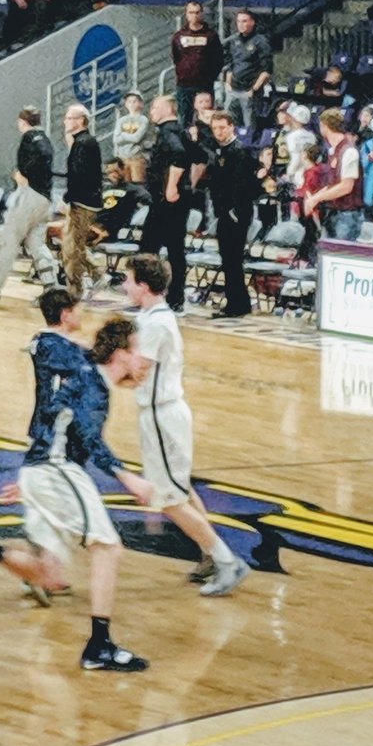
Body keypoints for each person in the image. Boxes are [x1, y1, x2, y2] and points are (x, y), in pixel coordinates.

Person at [0, 294, 152, 672]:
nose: (143, 361)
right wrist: (126, 476)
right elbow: (87, 438)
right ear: (119, 354)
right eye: (137, 351)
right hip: (56, 470)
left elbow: (57, 423)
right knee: (108, 549)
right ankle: (99, 645)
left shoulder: (83, 377)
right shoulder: (92, 383)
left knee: (49, 578)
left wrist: (30, 478)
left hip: (43, 471)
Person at [122, 254, 250, 595]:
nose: (124, 285)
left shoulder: (154, 325)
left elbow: (136, 372)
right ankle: (210, 553)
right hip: (166, 414)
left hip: (162, 417)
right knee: (181, 490)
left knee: (169, 499)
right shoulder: (155, 316)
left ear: (144, 286)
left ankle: (227, 561)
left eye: (128, 279)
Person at [0, 106, 58, 301]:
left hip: (29, 195)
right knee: (37, 243)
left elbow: (34, 160)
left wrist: (25, 174)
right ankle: (51, 288)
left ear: (22, 121)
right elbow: (46, 156)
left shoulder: (29, 138)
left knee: (9, 241)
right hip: (45, 197)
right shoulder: (46, 139)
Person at [199, 112, 258, 318]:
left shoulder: (240, 151)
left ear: (232, 127)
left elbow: (243, 185)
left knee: (233, 258)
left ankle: (237, 304)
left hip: (236, 213)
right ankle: (238, 301)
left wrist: (234, 211)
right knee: (228, 259)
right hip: (223, 211)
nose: (218, 132)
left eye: (222, 128)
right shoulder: (220, 150)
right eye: (215, 128)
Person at [139, 95, 191, 312]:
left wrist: (172, 186)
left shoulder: (169, 131)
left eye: (155, 106)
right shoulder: (179, 130)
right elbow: (198, 157)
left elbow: (179, 156)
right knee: (174, 249)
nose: (151, 110)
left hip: (166, 202)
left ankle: (151, 293)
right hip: (172, 201)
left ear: (168, 108)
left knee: (148, 248)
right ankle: (174, 297)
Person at [60, 103, 104, 300]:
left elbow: (80, 175)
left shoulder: (85, 143)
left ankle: (75, 291)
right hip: (81, 201)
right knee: (72, 245)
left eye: (69, 118)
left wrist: (68, 198)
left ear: (80, 121)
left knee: (71, 248)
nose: (65, 121)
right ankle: (97, 275)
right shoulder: (82, 142)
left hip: (83, 203)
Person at [304, 107, 362, 241]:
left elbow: (346, 186)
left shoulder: (349, 152)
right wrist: (314, 198)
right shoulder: (333, 151)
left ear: (324, 126)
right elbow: (332, 184)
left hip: (347, 215)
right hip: (333, 212)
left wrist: (317, 198)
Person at [171, 1, 223, 126]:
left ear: (201, 14)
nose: (194, 16)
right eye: (191, 12)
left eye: (197, 12)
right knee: (184, 118)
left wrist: (210, 77)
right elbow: (175, 57)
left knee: (206, 117)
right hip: (184, 85)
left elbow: (219, 59)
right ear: (186, 14)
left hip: (204, 84)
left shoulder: (211, 36)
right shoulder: (178, 36)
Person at [223, 10, 272, 129]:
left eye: (244, 21)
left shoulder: (261, 41)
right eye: (238, 21)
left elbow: (267, 70)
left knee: (249, 124)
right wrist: (227, 83)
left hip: (249, 91)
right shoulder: (234, 40)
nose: (241, 24)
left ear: (252, 22)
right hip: (232, 89)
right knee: (227, 121)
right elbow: (230, 63)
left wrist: (254, 89)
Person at [112, 90, 150, 184]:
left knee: (138, 184)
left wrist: (123, 135)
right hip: (122, 158)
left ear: (140, 103)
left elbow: (137, 138)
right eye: (129, 101)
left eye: (135, 101)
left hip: (137, 157)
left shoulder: (143, 120)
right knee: (124, 185)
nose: (132, 104)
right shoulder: (121, 120)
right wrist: (129, 137)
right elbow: (116, 139)